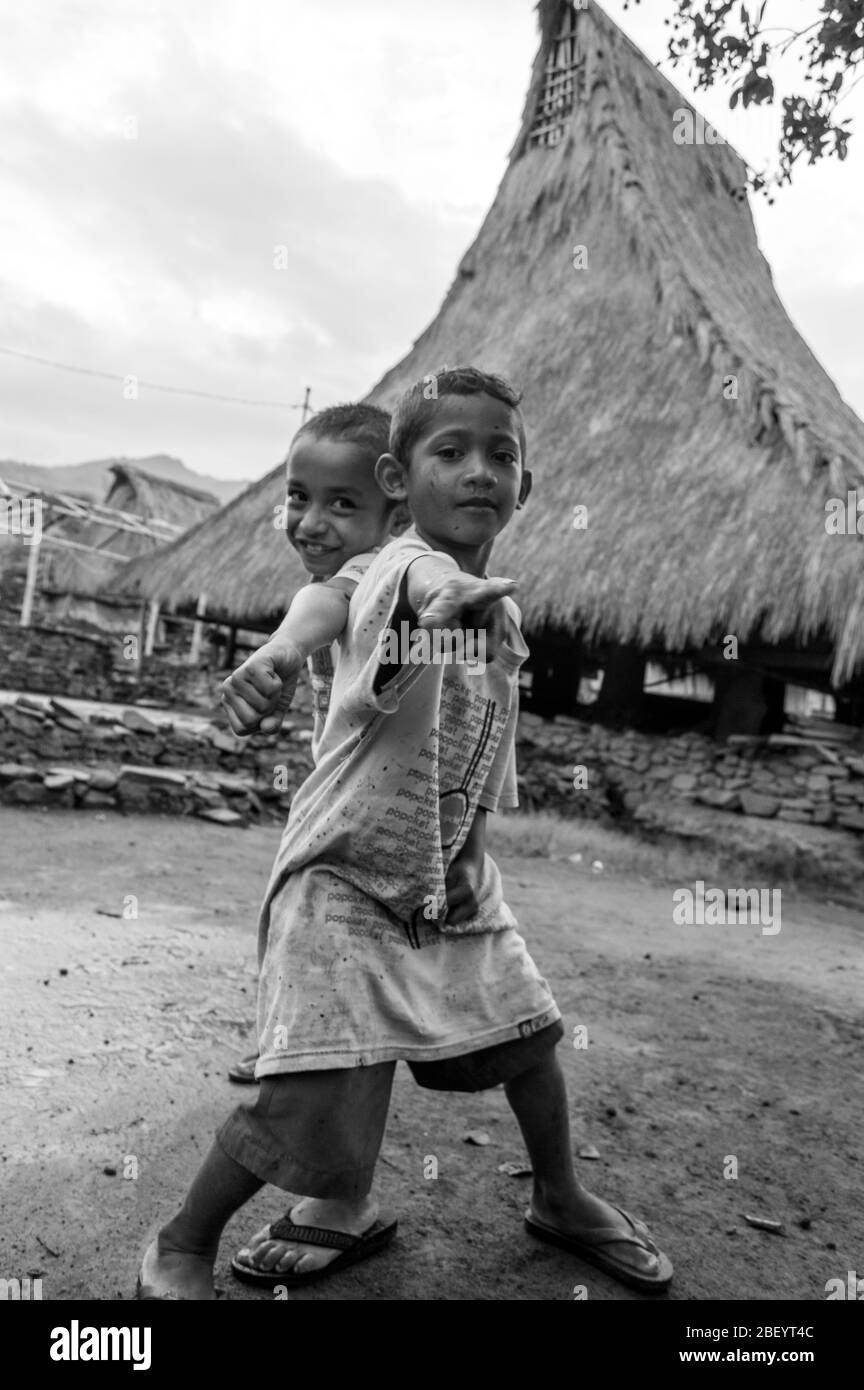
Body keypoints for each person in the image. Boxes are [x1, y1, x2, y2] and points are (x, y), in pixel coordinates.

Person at [137, 366, 672, 1299]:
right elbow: (342, 604)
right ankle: (182, 1239)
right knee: (305, 1092)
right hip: (342, 879)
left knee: (529, 1040)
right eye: (449, 453)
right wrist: (280, 650)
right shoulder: (394, 568)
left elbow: (485, 739)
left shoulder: (495, 614)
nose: (476, 472)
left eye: (498, 456)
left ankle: (561, 1194)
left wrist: (472, 848)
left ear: (525, 486)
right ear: (400, 482)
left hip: (444, 872)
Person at [220, 400, 401, 1084]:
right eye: (298, 497)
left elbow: (324, 604)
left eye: (342, 503)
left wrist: (284, 645)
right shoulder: (350, 576)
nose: (310, 521)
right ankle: (298, 1046)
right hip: (354, 805)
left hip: (363, 818)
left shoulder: (380, 573)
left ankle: (293, 1053)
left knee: (296, 923)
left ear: (396, 516)